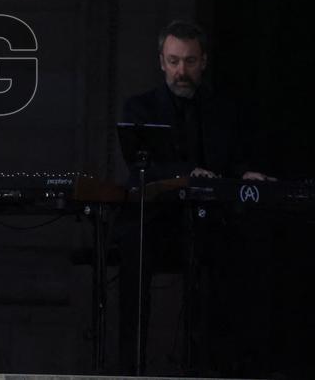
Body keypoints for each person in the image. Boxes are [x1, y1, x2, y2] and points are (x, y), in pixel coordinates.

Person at [116, 20, 270, 375]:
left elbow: (233, 159)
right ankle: (129, 367)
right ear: (161, 61)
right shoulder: (139, 108)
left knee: (247, 252)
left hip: (206, 220)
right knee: (134, 247)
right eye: (173, 61)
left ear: (204, 62)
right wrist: (186, 174)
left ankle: (222, 366)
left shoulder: (223, 110)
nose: (180, 71)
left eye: (188, 61)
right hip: (156, 219)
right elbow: (142, 167)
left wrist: (245, 173)